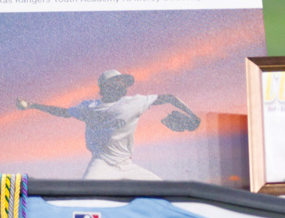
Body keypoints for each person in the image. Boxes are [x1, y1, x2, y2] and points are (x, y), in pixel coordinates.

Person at [16, 69, 200, 180]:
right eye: (116, 82)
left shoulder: (133, 102)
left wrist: (193, 116)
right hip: (101, 164)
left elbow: (169, 98)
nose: (122, 85)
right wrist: (33, 105)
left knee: (164, 195)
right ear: (104, 87)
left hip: (127, 164)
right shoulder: (89, 107)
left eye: (123, 82)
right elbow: (63, 112)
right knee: (84, 200)